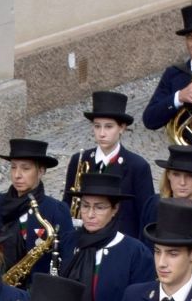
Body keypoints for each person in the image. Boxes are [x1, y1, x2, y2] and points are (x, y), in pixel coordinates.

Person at [62, 171, 157, 301]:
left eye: (100, 207)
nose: (90, 214)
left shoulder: (135, 252)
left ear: (115, 209)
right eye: (85, 205)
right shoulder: (69, 243)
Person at [63, 91, 157, 235]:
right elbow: (68, 203)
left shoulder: (137, 166)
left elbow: (146, 215)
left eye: (108, 127)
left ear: (122, 128)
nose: (101, 133)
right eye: (97, 126)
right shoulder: (80, 159)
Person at [0, 137, 73, 282]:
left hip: (39, 293)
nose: (17, 175)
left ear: (41, 171)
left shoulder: (57, 210)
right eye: (13, 167)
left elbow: (68, 259)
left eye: (25, 168)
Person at [144, 3, 192, 132]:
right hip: (185, 149)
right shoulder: (174, 74)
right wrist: (179, 97)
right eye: (190, 37)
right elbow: (149, 120)